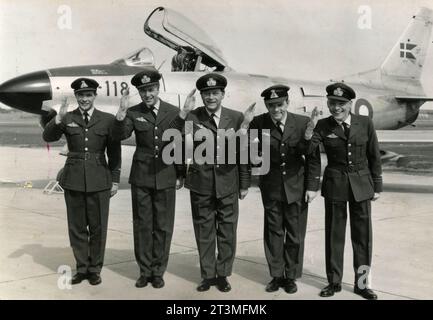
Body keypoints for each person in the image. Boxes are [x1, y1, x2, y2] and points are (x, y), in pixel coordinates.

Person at [170, 73, 252, 292]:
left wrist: (244, 183)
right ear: (202, 96)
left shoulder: (236, 118)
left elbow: (243, 152)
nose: (211, 97)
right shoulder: (192, 118)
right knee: (204, 231)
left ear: (223, 94)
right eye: (206, 94)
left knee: (227, 231)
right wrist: (183, 112)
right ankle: (207, 275)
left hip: (228, 183)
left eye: (215, 93)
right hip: (201, 183)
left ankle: (223, 274)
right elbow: (176, 142)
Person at [307, 82, 382, 300]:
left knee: (363, 238)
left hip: (361, 186)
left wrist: (377, 185)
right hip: (335, 186)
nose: (336, 108)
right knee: (334, 236)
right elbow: (308, 150)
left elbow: (374, 156)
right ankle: (334, 282)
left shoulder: (365, 123)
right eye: (332, 103)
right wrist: (310, 129)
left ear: (350, 104)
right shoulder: (322, 125)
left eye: (341, 103)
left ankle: (362, 284)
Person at [43, 77, 121, 286]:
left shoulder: (107, 119)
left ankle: (95, 269)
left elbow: (114, 152)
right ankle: (82, 268)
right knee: (77, 227)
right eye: (81, 95)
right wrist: (58, 119)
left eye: (88, 95)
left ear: (95, 96)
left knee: (98, 227)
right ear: (76, 97)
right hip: (74, 179)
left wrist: (114, 180)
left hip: (99, 179)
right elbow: (48, 137)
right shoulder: (67, 117)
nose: (84, 99)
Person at [112, 68, 183, 289]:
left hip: (166, 175)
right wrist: (121, 114)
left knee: (163, 225)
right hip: (141, 177)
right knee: (142, 225)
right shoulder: (133, 112)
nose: (147, 94)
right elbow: (120, 135)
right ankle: (144, 271)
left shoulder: (174, 112)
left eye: (151, 89)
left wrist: (181, 173)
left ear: (158, 88)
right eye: (143, 91)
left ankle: (158, 271)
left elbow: (178, 144)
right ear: (139, 93)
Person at [247, 85, 320, 294]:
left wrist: (312, 187)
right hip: (271, 188)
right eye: (271, 105)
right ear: (266, 106)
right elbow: (250, 149)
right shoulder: (259, 123)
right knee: (274, 233)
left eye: (279, 104)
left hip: (297, 187)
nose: (276, 109)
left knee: (295, 235)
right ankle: (276, 275)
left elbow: (313, 158)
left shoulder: (302, 123)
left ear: (287, 103)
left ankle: (291, 277)